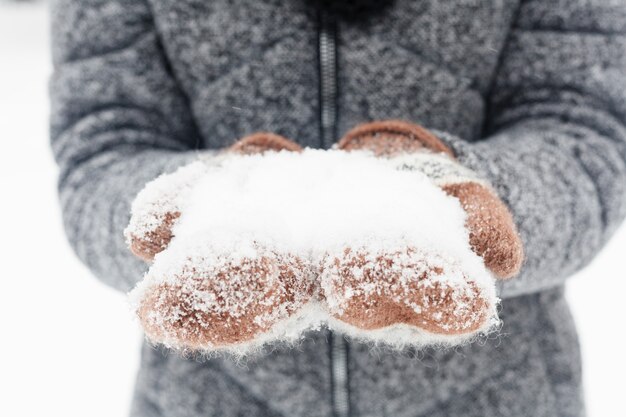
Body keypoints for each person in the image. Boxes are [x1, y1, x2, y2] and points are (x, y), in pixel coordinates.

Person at [50, 1, 626, 416]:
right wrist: (198, 201)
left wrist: (470, 190)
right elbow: (107, 146)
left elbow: (582, 130)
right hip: (204, 399)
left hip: (504, 394)